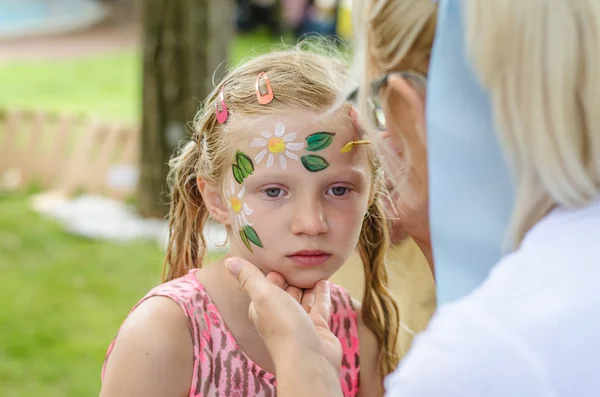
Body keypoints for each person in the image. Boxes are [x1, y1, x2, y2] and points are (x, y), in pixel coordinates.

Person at [224, 0, 600, 396]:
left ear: (407, 112)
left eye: (375, 108)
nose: (311, 222)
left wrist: (306, 371)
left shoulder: (482, 357)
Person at [99, 45, 401, 397]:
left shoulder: (358, 334)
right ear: (216, 198)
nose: (311, 223)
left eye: (338, 189)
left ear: (372, 192)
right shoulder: (165, 334)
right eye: (273, 192)